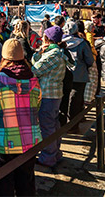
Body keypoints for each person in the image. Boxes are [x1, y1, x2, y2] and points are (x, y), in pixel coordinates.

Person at [0, 39, 42, 196]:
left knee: (4, 185)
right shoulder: (34, 80)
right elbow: (37, 105)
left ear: (4, 58)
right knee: (26, 183)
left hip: (4, 141)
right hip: (30, 140)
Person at [32, 26, 73, 167]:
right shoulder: (56, 52)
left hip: (48, 94)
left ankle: (48, 157)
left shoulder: (53, 54)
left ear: (47, 38)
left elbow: (35, 70)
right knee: (54, 125)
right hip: (55, 94)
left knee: (47, 126)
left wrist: (39, 54)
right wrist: (39, 52)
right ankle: (55, 153)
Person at [61, 21, 94, 132]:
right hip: (80, 75)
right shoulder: (82, 43)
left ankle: (62, 123)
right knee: (76, 101)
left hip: (64, 75)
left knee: (65, 99)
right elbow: (90, 60)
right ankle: (73, 125)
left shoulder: (60, 42)